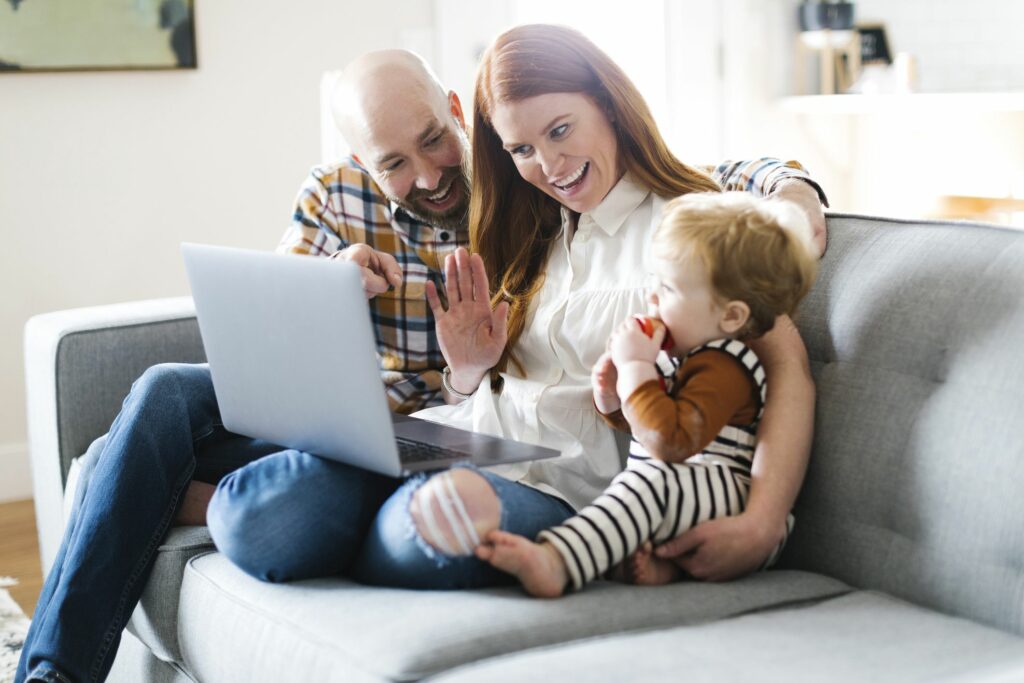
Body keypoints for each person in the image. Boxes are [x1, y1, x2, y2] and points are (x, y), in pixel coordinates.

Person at [16, 45, 826, 683]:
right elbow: (265, 337)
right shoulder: (427, 202)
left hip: (466, 452)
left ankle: (159, 490)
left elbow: (734, 205)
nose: (432, 174)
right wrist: (341, 295)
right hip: (402, 429)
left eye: (438, 141)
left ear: (453, 113)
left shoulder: (560, 204)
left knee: (246, 508)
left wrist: (795, 198)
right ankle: (53, 668)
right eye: (395, 162)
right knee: (165, 392)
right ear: (364, 162)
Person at [476, 191, 818, 597]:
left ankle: (557, 561)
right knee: (644, 482)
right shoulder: (682, 355)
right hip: (686, 490)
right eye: (655, 282)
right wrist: (613, 398)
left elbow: (669, 442)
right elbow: (645, 425)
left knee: (651, 483)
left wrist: (637, 370)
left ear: (731, 316)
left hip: (728, 499)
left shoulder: (725, 366)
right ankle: (661, 566)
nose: (652, 298)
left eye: (669, 289)